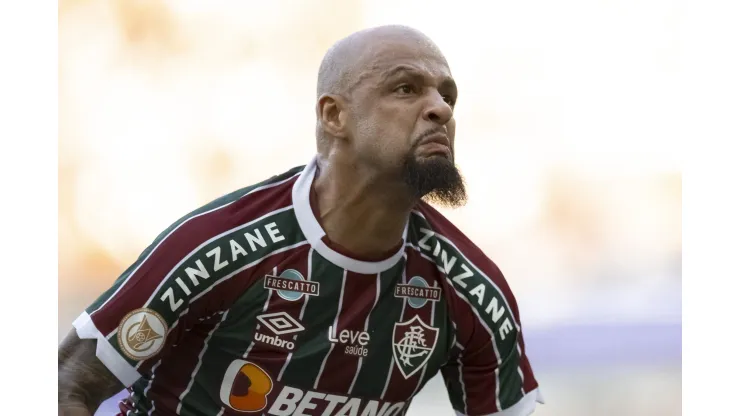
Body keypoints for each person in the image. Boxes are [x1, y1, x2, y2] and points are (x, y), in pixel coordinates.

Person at [58, 25, 544, 416]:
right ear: (335, 116)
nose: (440, 108)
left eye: (447, 96)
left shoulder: (472, 292)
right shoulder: (217, 247)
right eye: (405, 88)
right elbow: (66, 385)